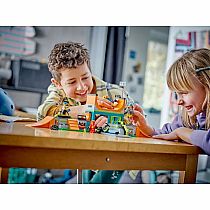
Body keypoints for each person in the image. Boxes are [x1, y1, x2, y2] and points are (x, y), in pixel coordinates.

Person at [37, 41, 140, 183]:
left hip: (121, 163)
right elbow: (42, 114)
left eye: (85, 77)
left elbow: (138, 125)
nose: (81, 87)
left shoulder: (114, 93)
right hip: (87, 159)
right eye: (72, 82)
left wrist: (113, 123)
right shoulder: (59, 92)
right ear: (58, 84)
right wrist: (80, 110)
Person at [133, 48, 210, 155]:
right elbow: (168, 133)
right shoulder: (187, 118)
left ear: (207, 85)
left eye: (184, 92)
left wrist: (182, 132)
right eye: (177, 94)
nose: (179, 102)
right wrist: (146, 128)